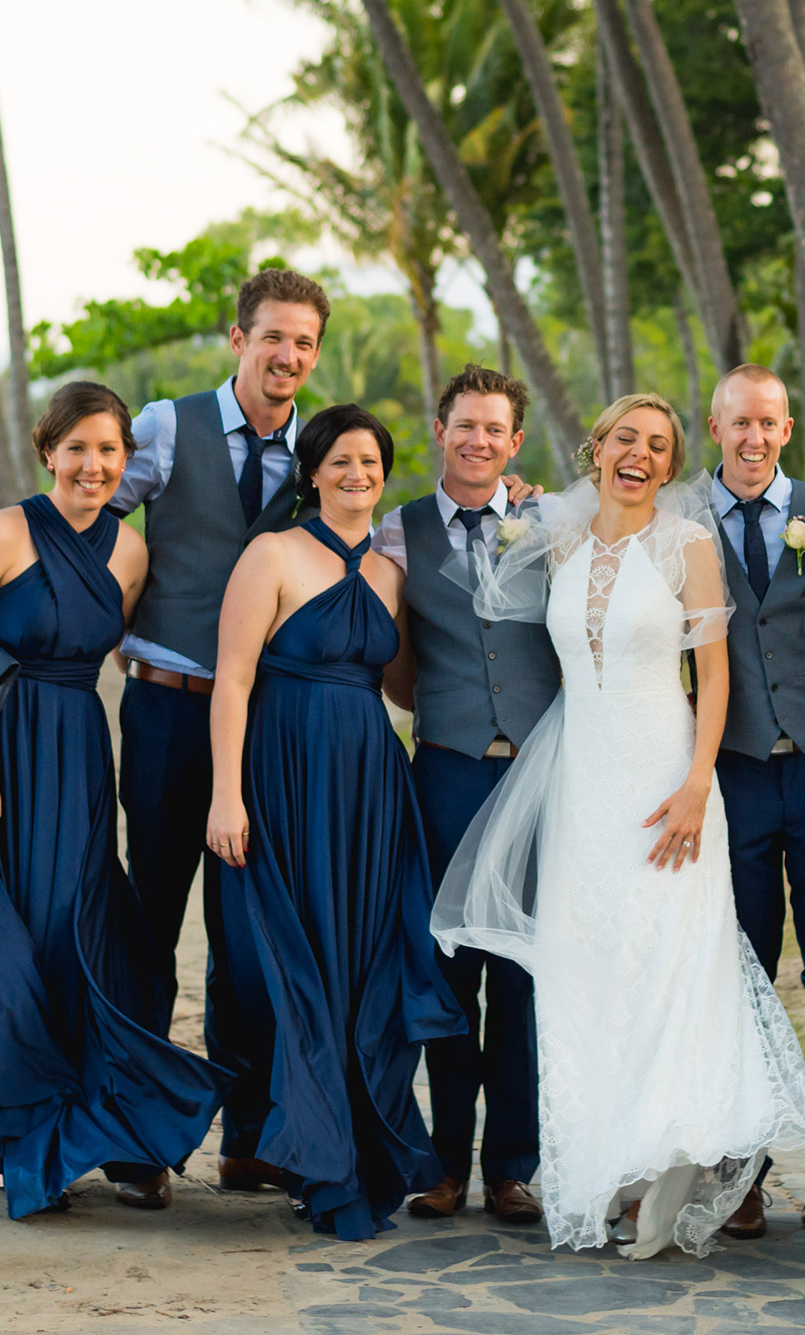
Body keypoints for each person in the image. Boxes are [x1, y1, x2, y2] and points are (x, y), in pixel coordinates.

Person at [0, 269, 330, 1196]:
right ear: (240, 339)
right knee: (145, 923)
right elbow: (77, 512)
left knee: (247, 934)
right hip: (157, 712)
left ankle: (249, 1137)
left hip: (259, 723)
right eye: (273, 336)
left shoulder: (316, 449)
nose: (288, 356)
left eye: (304, 343)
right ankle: (137, 1141)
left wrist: (508, 494)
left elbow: (363, 516)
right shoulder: (165, 424)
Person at [432, 393, 805, 1260]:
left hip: (665, 775)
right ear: (598, 446)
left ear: (669, 464)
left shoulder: (689, 545)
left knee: (669, 959)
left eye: (659, 446)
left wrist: (698, 781)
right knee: (591, 968)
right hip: (582, 777)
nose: (642, 456)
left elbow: (716, 675)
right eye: (628, 438)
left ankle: (670, 1159)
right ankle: (605, 1160)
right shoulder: (559, 533)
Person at [0, 382, 231, 1219]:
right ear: (49, 450)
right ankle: (27, 1142)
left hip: (76, 763)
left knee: (80, 945)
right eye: (77, 448)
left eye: (109, 450)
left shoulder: (130, 554)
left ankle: (105, 1138)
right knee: (1, 951)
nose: (93, 464)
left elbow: (109, 650)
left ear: (128, 461)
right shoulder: (1, 533)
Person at [203, 403, 464, 1241]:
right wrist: (226, 794)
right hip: (283, 780)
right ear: (311, 473)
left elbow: (399, 685)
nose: (358, 474)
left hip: (370, 786)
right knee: (301, 970)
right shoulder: (271, 554)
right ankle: (313, 1158)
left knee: (367, 970)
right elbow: (234, 682)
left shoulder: (392, 571)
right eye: (342, 461)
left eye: (372, 463)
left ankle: (362, 1147)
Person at [376, 366, 559, 1226]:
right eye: (465, 426)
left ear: (514, 441)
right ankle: (446, 1163)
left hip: (533, 770)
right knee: (447, 968)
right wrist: (443, 714)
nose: (480, 441)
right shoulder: (398, 530)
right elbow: (397, 657)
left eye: (495, 429)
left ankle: (512, 1165)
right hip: (445, 767)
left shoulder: (549, 522)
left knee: (519, 971)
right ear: (439, 429)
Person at [700, 364, 805, 1237]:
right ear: (715, 425)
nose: (754, 437)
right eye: (739, 423)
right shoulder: (681, 514)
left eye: (768, 422)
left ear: (787, 427)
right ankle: (748, 1164)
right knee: (746, 969)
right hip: (731, 774)